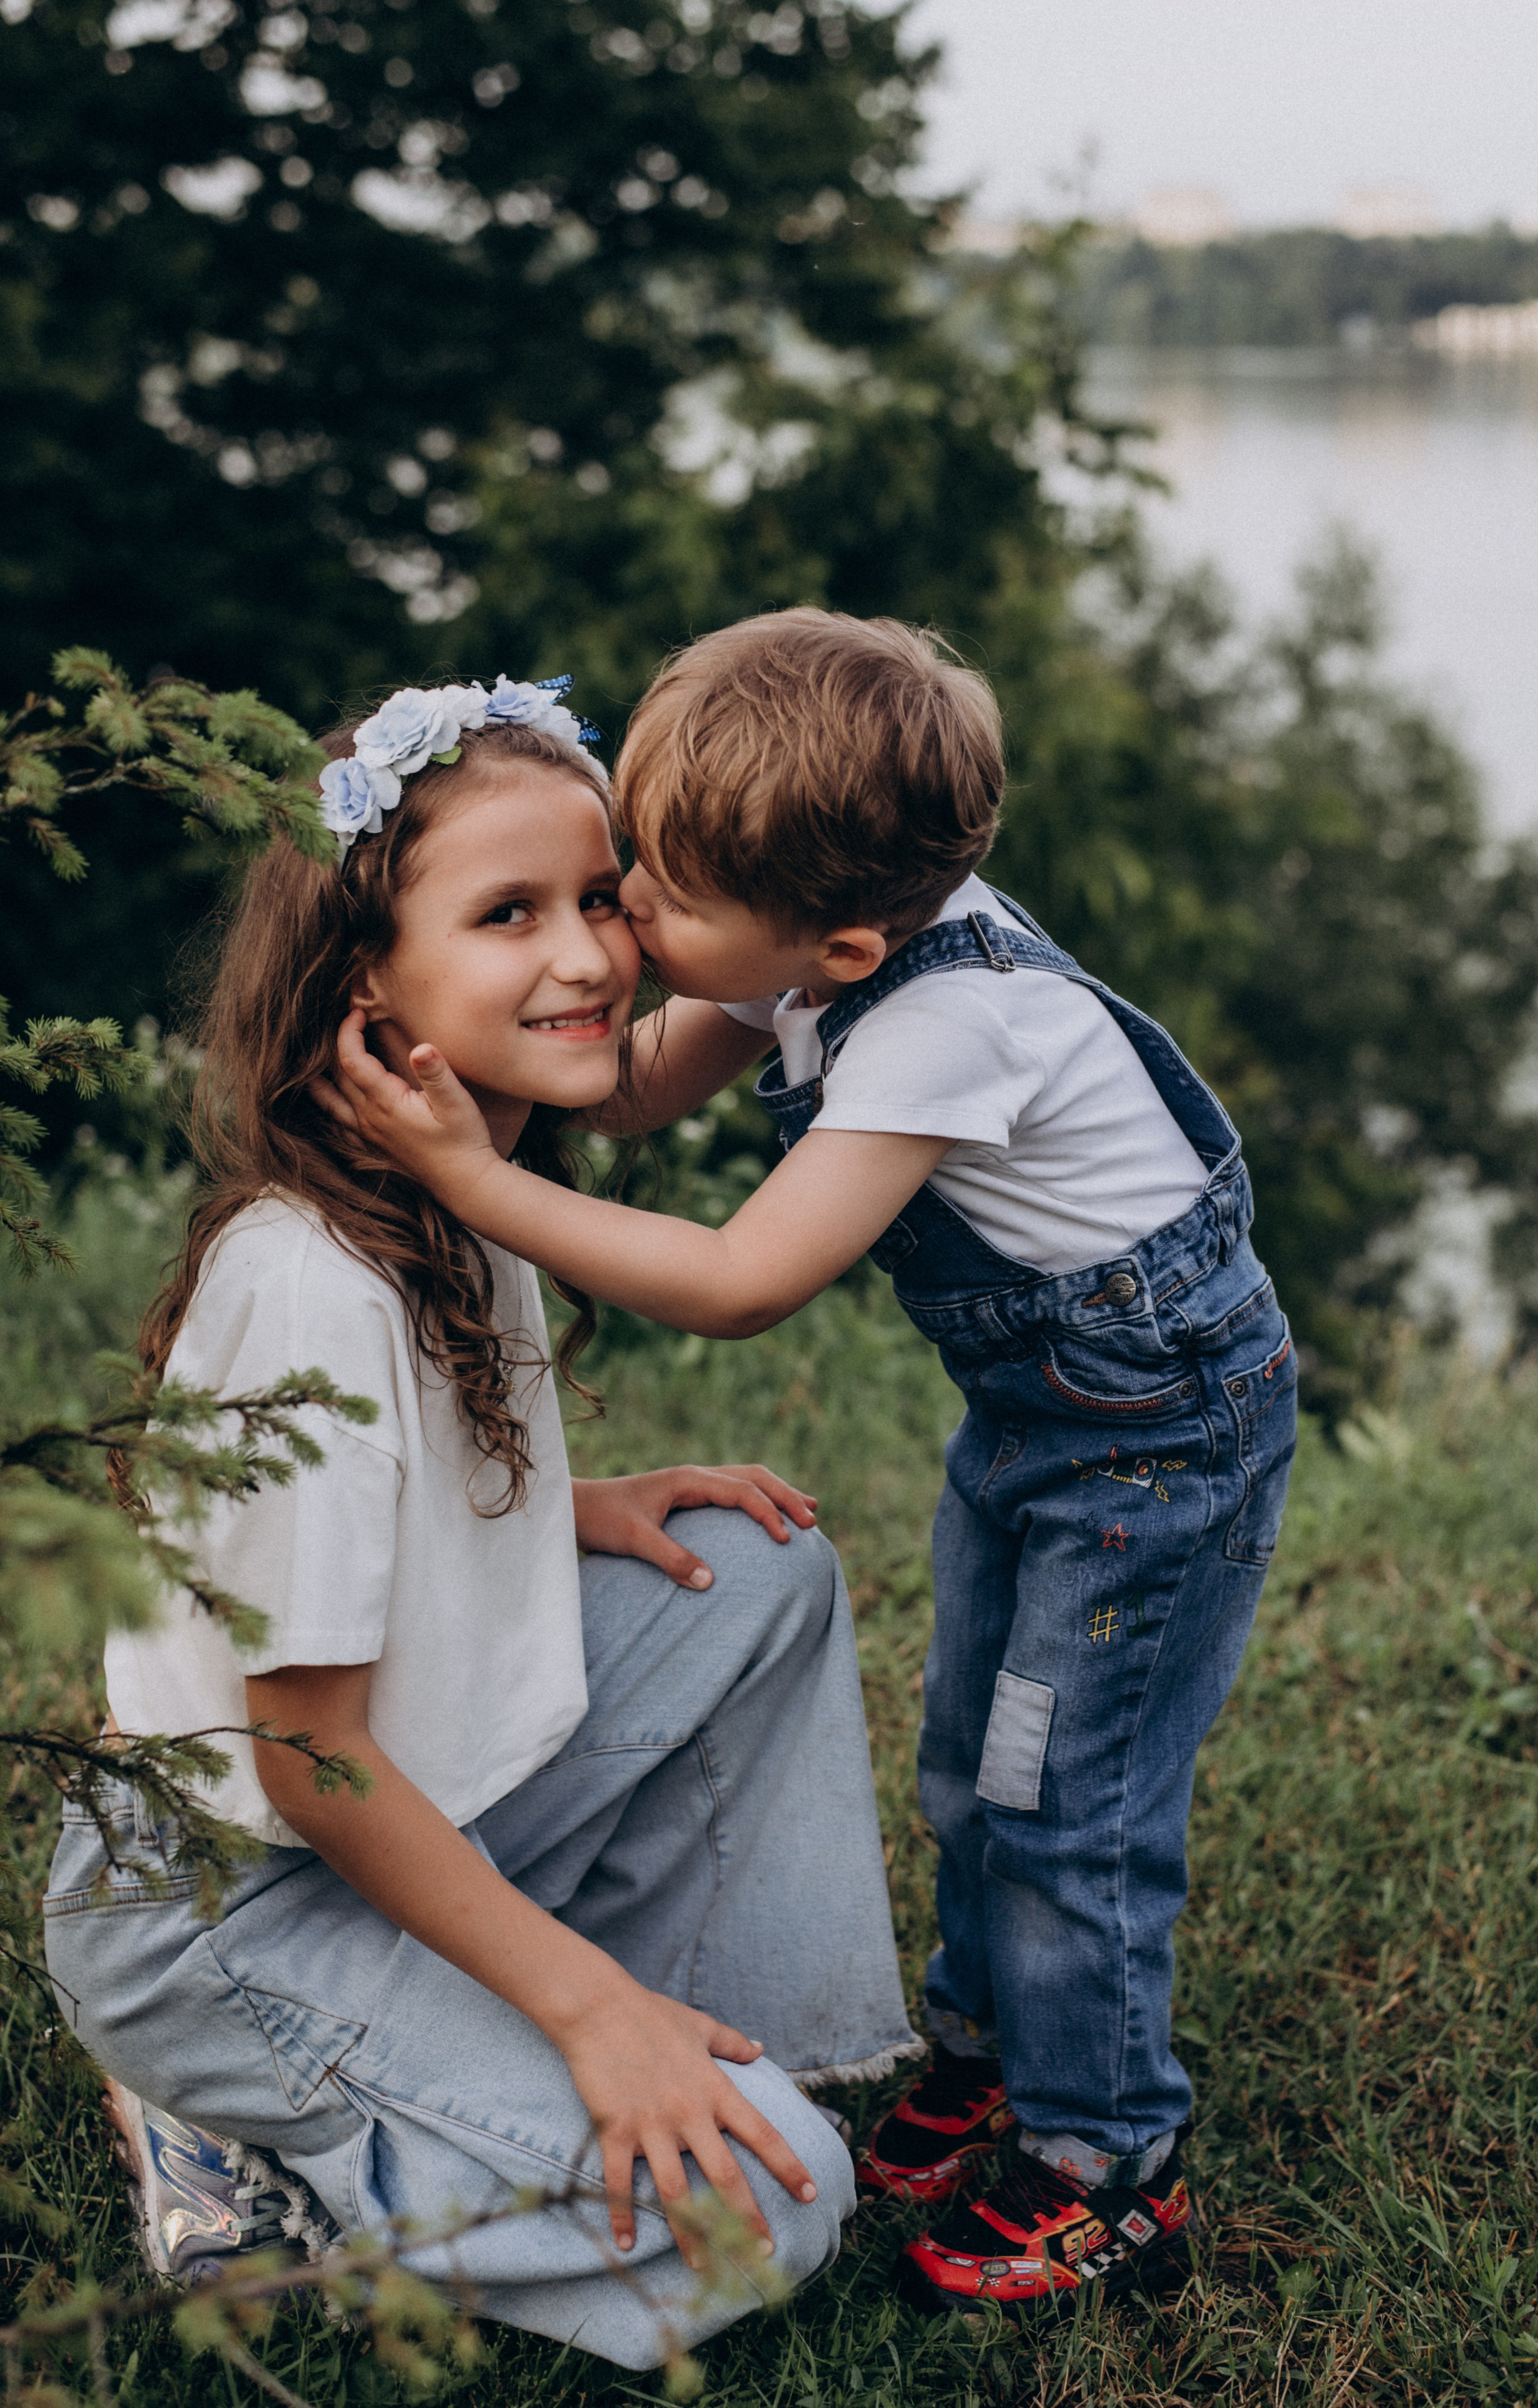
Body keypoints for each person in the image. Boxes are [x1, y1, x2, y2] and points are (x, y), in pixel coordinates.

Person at [316, 613, 1301, 2319]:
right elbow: (623, 1101)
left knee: (1067, 1796)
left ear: (839, 945)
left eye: (656, 900)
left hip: (1156, 1458)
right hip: (1049, 1428)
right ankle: (990, 2053)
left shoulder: (938, 1026)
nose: (628, 926)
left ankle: (1106, 2163)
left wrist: (479, 1186)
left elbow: (742, 1281)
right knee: (972, 1762)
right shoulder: (801, 949)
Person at [43, 673, 919, 2373]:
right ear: (366, 977)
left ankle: (661, 2032)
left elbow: (379, 1505)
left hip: (393, 1815)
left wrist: (571, 1508)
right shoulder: (306, 1283)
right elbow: (310, 1763)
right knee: (781, 2204)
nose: (589, 958)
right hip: (226, 1909)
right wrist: (580, 2010)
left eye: (602, 898)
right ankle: (252, 2157)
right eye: (508, 913)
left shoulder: (457, 1174)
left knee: (756, 1568)